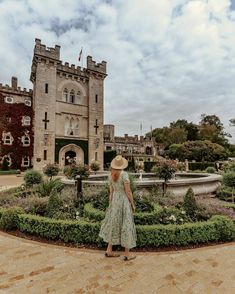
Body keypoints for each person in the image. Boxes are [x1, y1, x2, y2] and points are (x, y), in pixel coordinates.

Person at [99, 155, 137, 261]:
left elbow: (110, 192)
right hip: (123, 200)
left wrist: (110, 204)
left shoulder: (110, 175)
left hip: (115, 201)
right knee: (126, 223)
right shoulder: (124, 174)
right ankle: (127, 254)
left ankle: (109, 250)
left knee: (113, 223)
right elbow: (128, 191)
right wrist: (132, 204)